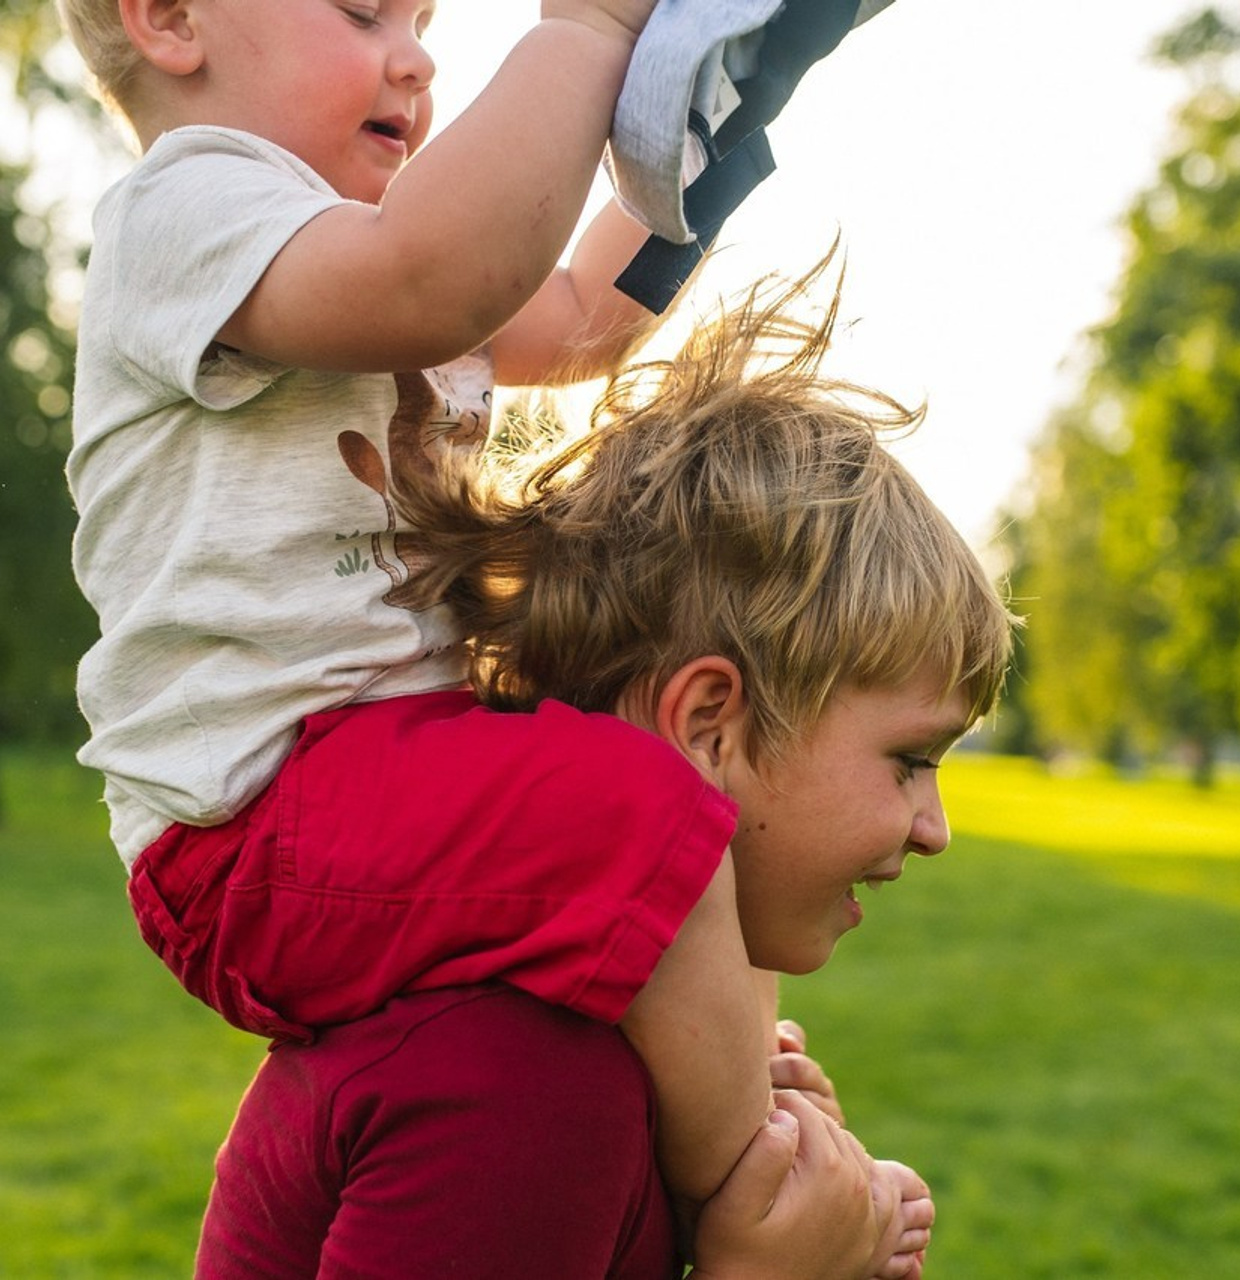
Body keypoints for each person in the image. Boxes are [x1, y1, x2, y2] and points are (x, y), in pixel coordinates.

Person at [56, 0, 843, 1237]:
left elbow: (578, 313)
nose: (416, 57)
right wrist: (586, 31)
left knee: (654, 811)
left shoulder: (369, 248)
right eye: (366, 11)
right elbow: (437, 277)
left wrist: (700, 133)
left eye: (424, 20)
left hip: (367, 774)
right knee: (640, 815)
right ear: (167, 19)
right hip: (251, 819)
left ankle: (714, 1087)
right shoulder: (187, 206)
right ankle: (753, 1190)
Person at [195, 265, 1017, 1277]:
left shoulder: (616, 1058)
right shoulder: (521, 1080)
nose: (932, 825)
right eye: (908, 759)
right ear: (708, 723)